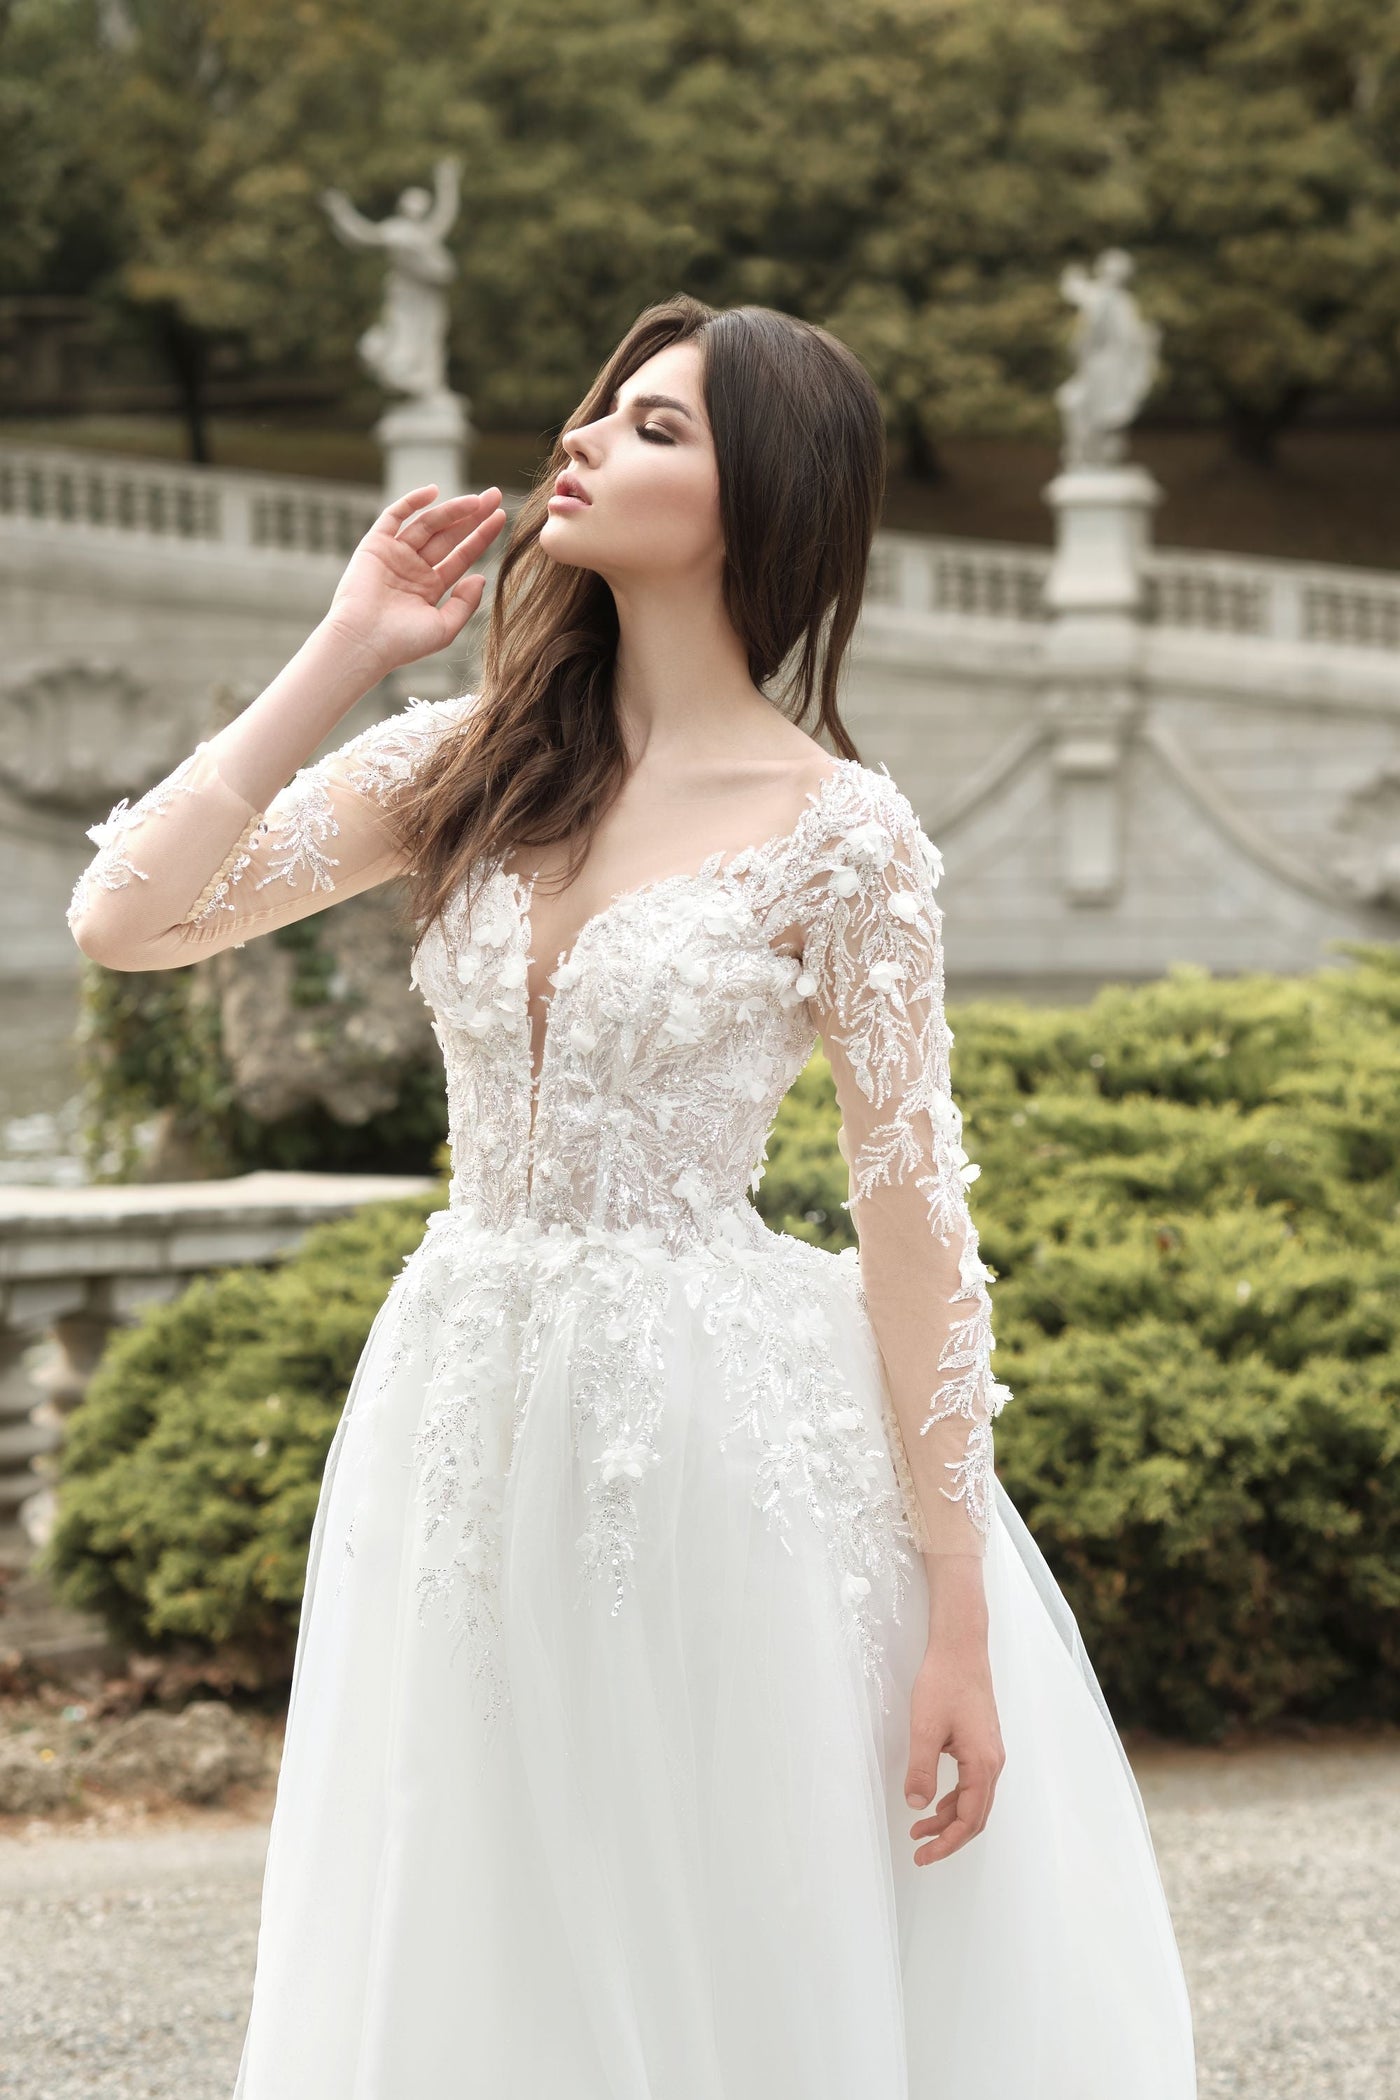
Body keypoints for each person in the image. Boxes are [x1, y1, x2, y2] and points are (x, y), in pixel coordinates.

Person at [67, 294, 1197, 2099]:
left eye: (656, 427)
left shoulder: (845, 834)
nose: (583, 440)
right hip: (459, 1394)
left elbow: (913, 1230)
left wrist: (959, 1616)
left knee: (707, 1905)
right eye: (602, 409)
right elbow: (126, 918)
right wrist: (348, 646)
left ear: (768, 500)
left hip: (714, 1434)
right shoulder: (466, 760)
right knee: (465, 1881)